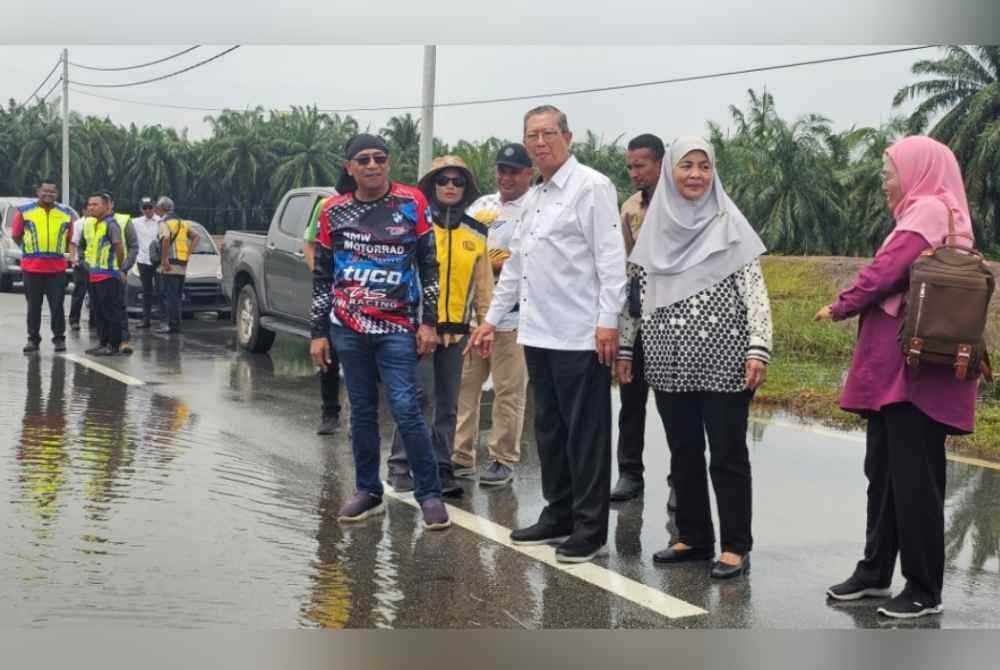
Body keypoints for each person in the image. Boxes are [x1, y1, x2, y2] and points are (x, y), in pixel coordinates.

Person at [817, 136, 977, 619]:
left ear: (918, 170)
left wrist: (843, 304)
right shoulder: (937, 211)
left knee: (914, 479)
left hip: (914, 367)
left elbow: (887, 271)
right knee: (884, 472)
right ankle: (874, 571)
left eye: (890, 171)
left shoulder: (928, 210)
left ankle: (925, 588)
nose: (886, 180)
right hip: (899, 365)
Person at [468, 105, 627, 563]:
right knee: (550, 430)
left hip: (581, 334)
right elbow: (515, 268)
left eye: (549, 133)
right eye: (532, 135)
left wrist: (608, 321)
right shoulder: (535, 197)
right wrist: (491, 320)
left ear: (568, 137)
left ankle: (591, 530)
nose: (540, 142)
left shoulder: (592, 187)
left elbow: (610, 260)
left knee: (586, 433)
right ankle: (558, 513)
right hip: (538, 332)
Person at [619, 136, 771, 579]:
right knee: (683, 450)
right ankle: (694, 537)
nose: (696, 175)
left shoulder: (730, 225)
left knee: (727, 454)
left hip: (725, 357)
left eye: (704, 166)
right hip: (668, 359)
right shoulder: (653, 230)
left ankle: (736, 546)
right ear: (671, 171)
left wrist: (758, 347)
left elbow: (756, 294)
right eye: (686, 165)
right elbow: (636, 295)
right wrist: (628, 346)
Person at [309, 133, 450, 530]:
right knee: (362, 411)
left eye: (380, 158)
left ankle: (430, 494)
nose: (373, 165)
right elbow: (322, 276)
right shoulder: (331, 211)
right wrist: (318, 333)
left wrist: (429, 322)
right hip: (348, 329)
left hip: (398, 326)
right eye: (364, 159)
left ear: (389, 163)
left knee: (406, 407)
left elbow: (429, 266)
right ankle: (368, 491)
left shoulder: (411, 203)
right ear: (349, 166)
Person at [386, 155, 492, 497]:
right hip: (417, 330)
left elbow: (484, 286)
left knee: (449, 403)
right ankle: (401, 465)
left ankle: (442, 466)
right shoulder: (412, 226)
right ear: (431, 185)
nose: (450, 186)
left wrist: (484, 326)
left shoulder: (477, 233)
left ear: (466, 188)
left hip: (458, 332)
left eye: (457, 181)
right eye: (442, 180)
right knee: (416, 399)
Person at [453, 143, 534, 487]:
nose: (506, 177)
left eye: (514, 171)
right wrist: (490, 260)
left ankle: (502, 458)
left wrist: (488, 260)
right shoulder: (480, 205)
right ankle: (459, 455)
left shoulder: (536, 208)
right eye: (502, 169)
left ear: (529, 174)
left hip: (515, 319)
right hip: (473, 317)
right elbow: (463, 249)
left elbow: (521, 261)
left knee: (508, 392)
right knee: (464, 390)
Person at [610, 133, 671, 504]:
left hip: (675, 323)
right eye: (630, 166)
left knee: (674, 408)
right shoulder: (630, 207)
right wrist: (624, 338)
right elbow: (626, 267)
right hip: (639, 317)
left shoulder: (683, 204)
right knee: (631, 403)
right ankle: (629, 474)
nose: (634, 173)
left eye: (641, 165)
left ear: (661, 163)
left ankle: (681, 480)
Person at [10, 178, 75, 353]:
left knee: (57, 305)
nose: (49, 194)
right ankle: (33, 339)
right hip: (32, 268)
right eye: (45, 191)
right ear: (38, 192)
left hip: (57, 268)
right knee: (33, 306)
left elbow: (71, 239)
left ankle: (59, 339)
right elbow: (16, 235)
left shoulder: (66, 213)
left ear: (57, 193)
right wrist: (30, 249)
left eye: (52, 191)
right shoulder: (24, 211)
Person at [303, 200, 343, 435]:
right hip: (332, 293)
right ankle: (330, 413)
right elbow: (309, 245)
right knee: (328, 353)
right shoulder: (328, 205)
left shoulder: (386, 205)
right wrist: (322, 275)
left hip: (367, 295)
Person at [80, 192, 126, 356]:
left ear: (107, 206)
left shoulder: (111, 224)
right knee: (98, 311)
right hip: (94, 275)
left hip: (108, 276)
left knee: (110, 312)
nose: (91, 207)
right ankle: (103, 342)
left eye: (95, 204)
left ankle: (113, 345)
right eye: (90, 204)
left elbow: (119, 248)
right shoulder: (94, 224)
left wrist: (120, 267)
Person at [156, 196, 199, 335]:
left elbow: (166, 239)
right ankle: (176, 324)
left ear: (162, 208)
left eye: (158, 207)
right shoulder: (182, 223)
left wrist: (164, 259)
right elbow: (196, 236)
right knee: (177, 295)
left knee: (171, 296)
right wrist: (188, 253)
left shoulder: (165, 223)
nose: (156, 209)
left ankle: (174, 326)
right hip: (182, 263)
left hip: (171, 264)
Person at [104, 192, 137, 355]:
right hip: (97, 273)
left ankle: (124, 340)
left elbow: (133, 246)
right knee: (102, 309)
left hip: (118, 272)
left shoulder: (124, 220)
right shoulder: (90, 222)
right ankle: (107, 341)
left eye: (106, 202)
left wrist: (124, 267)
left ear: (111, 204)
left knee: (120, 307)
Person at [132, 196, 161, 329]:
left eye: (150, 207)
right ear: (141, 209)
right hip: (143, 260)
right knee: (146, 291)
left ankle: (163, 319)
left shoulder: (161, 222)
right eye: (145, 207)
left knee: (162, 291)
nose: (148, 210)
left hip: (158, 260)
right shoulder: (135, 222)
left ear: (154, 207)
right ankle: (146, 320)